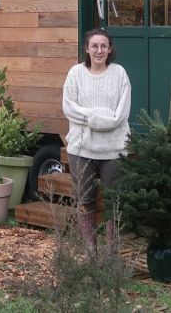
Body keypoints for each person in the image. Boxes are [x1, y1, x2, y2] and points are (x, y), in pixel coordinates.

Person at [62, 28, 131, 253]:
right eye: (95, 46)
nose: (99, 50)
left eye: (104, 46)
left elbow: (120, 116)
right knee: (85, 200)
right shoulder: (75, 74)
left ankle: (112, 254)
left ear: (110, 49)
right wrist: (100, 115)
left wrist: (91, 117)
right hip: (81, 149)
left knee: (114, 202)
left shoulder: (119, 74)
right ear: (87, 49)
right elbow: (69, 108)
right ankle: (91, 251)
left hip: (114, 150)